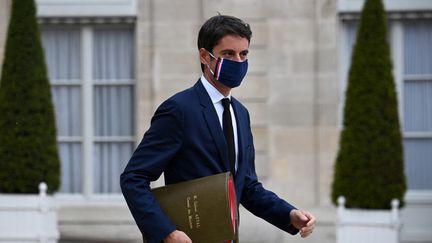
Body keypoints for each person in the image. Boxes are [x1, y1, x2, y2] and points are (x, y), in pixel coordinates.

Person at [120, 14, 316, 243]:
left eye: (244, 54)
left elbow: (247, 186)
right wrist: (166, 233)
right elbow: (133, 178)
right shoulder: (178, 110)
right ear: (205, 56)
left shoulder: (241, 114)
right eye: (228, 54)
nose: (238, 62)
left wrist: (289, 215)